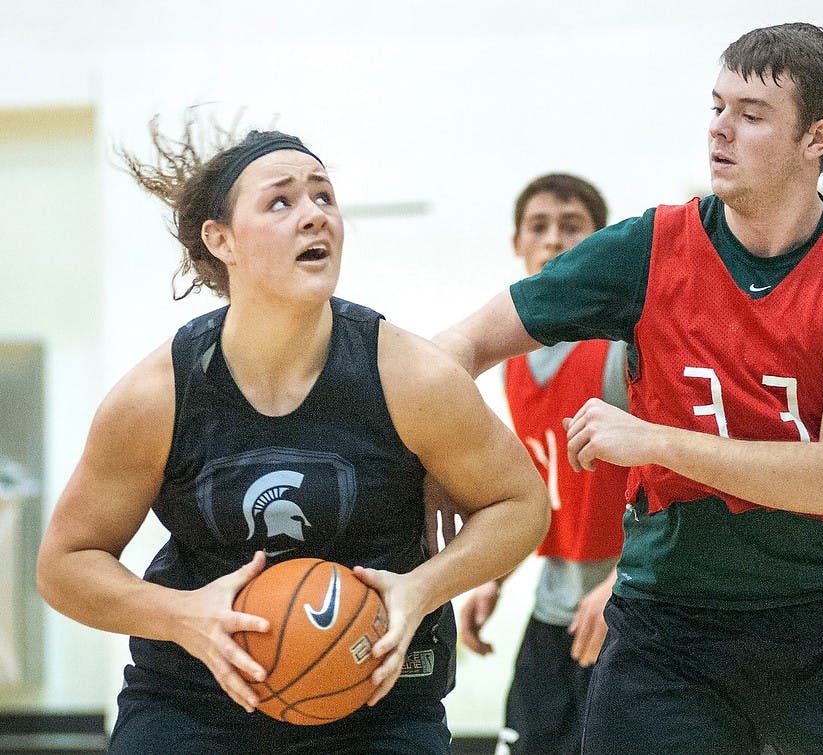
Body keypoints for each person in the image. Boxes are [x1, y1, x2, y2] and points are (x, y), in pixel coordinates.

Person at [434, 22, 823, 754]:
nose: (719, 130)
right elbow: (459, 345)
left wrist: (654, 441)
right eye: (716, 106)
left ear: (817, 137)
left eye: (750, 115)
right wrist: (423, 450)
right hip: (668, 624)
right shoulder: (646, 248)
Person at [35, 116, 550, 755]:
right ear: (220, 238)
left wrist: (425, 585)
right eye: (281, 201)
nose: (315, 216)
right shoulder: (157, 396)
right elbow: (65, 564)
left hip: (377, 703)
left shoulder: (411, 376)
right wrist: (180, 615)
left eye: (324, 196)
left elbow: (520, 504)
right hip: (195, 704)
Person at [457, 174, 629, 755]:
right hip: (557, 605)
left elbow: (674, 480)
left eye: (572, 226)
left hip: (629, 606)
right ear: (518, 245)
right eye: (539, 227)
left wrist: (622, 585)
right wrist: (494, 574)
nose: (554, 240)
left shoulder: (622, 349)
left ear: (601, 243)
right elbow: (539, 482)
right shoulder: (512, 362)